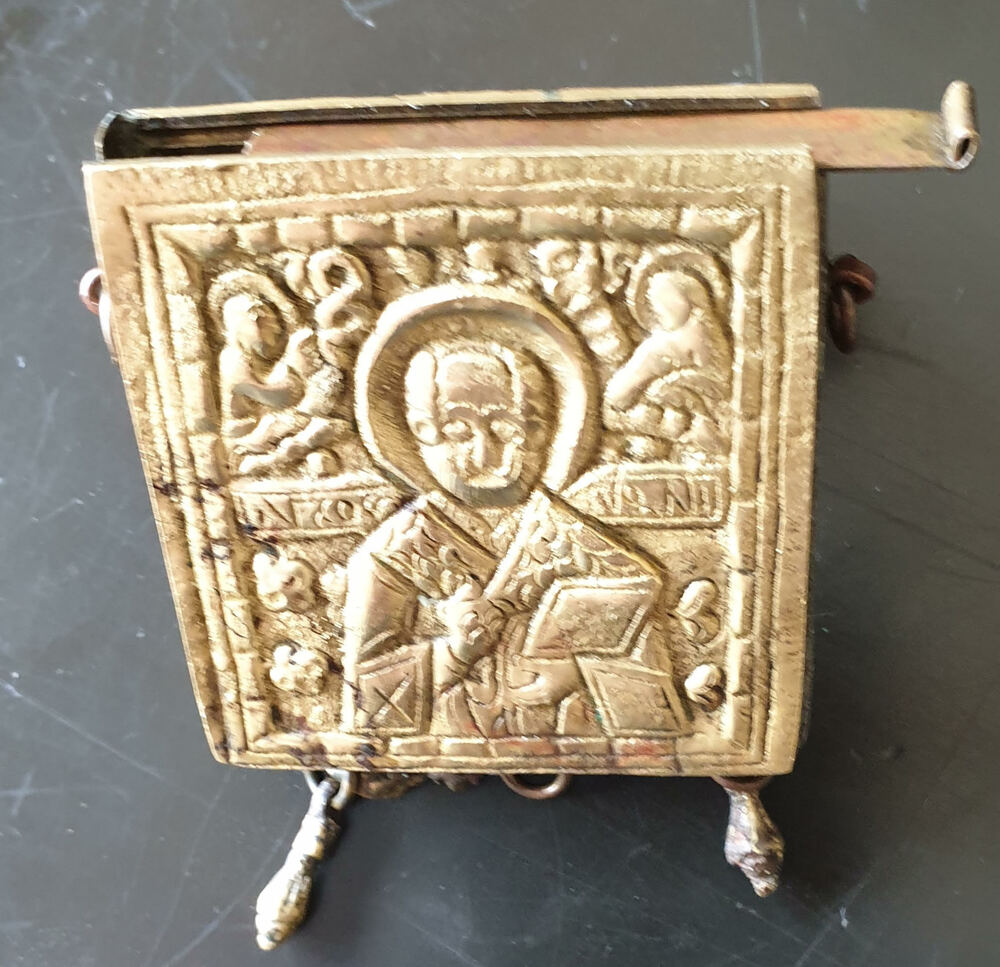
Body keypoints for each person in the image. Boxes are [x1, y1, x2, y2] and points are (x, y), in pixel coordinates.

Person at [341, 288, 688, 741]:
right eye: (458, 431)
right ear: (419, 434)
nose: (485, 452)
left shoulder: (574, 540)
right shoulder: (393, 554)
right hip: (454, 745)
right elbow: (366, 700)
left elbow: (650, 662)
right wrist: (455, 653)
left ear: (541, 432)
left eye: (506, 430)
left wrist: (578, 673)